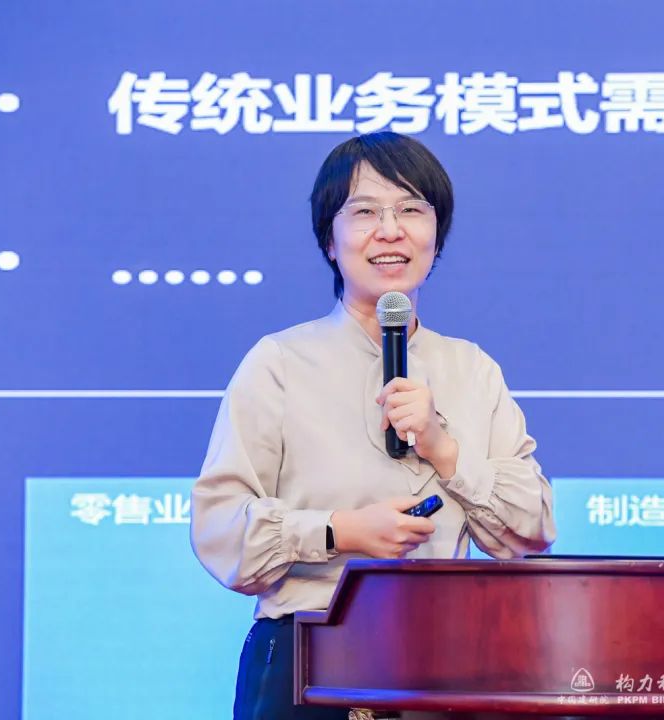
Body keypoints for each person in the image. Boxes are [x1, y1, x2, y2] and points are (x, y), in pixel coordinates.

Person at [190, 131, 556, 720]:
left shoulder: (472, 369)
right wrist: (339, 531)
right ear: (329, 241)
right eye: (364, 212)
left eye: (411, 210)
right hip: (310, 658)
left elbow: (531, 532)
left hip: (446, 663)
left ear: (436, 235)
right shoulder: (279, 362)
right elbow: (220, 532)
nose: (390, 231)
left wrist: (444, 449)